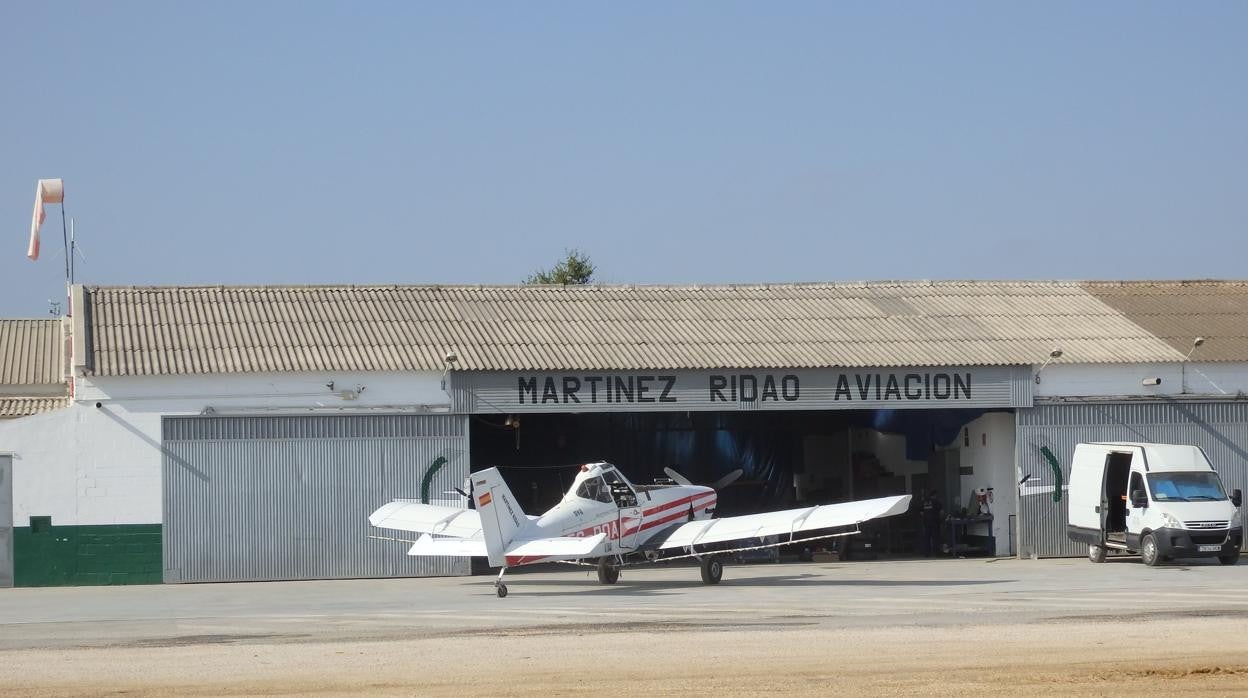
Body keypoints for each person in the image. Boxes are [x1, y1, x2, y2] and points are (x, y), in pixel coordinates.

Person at [919, 490, 943, 557]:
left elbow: (921, 513)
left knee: (927, 538)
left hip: (926, 523)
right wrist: (941, 519)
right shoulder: (936, 502)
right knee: (936, 538)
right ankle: (937, 553)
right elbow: (941, 512)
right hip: (935, 522)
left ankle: (927, 553)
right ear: (935, 495)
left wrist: (926, 517)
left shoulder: (924, 502)